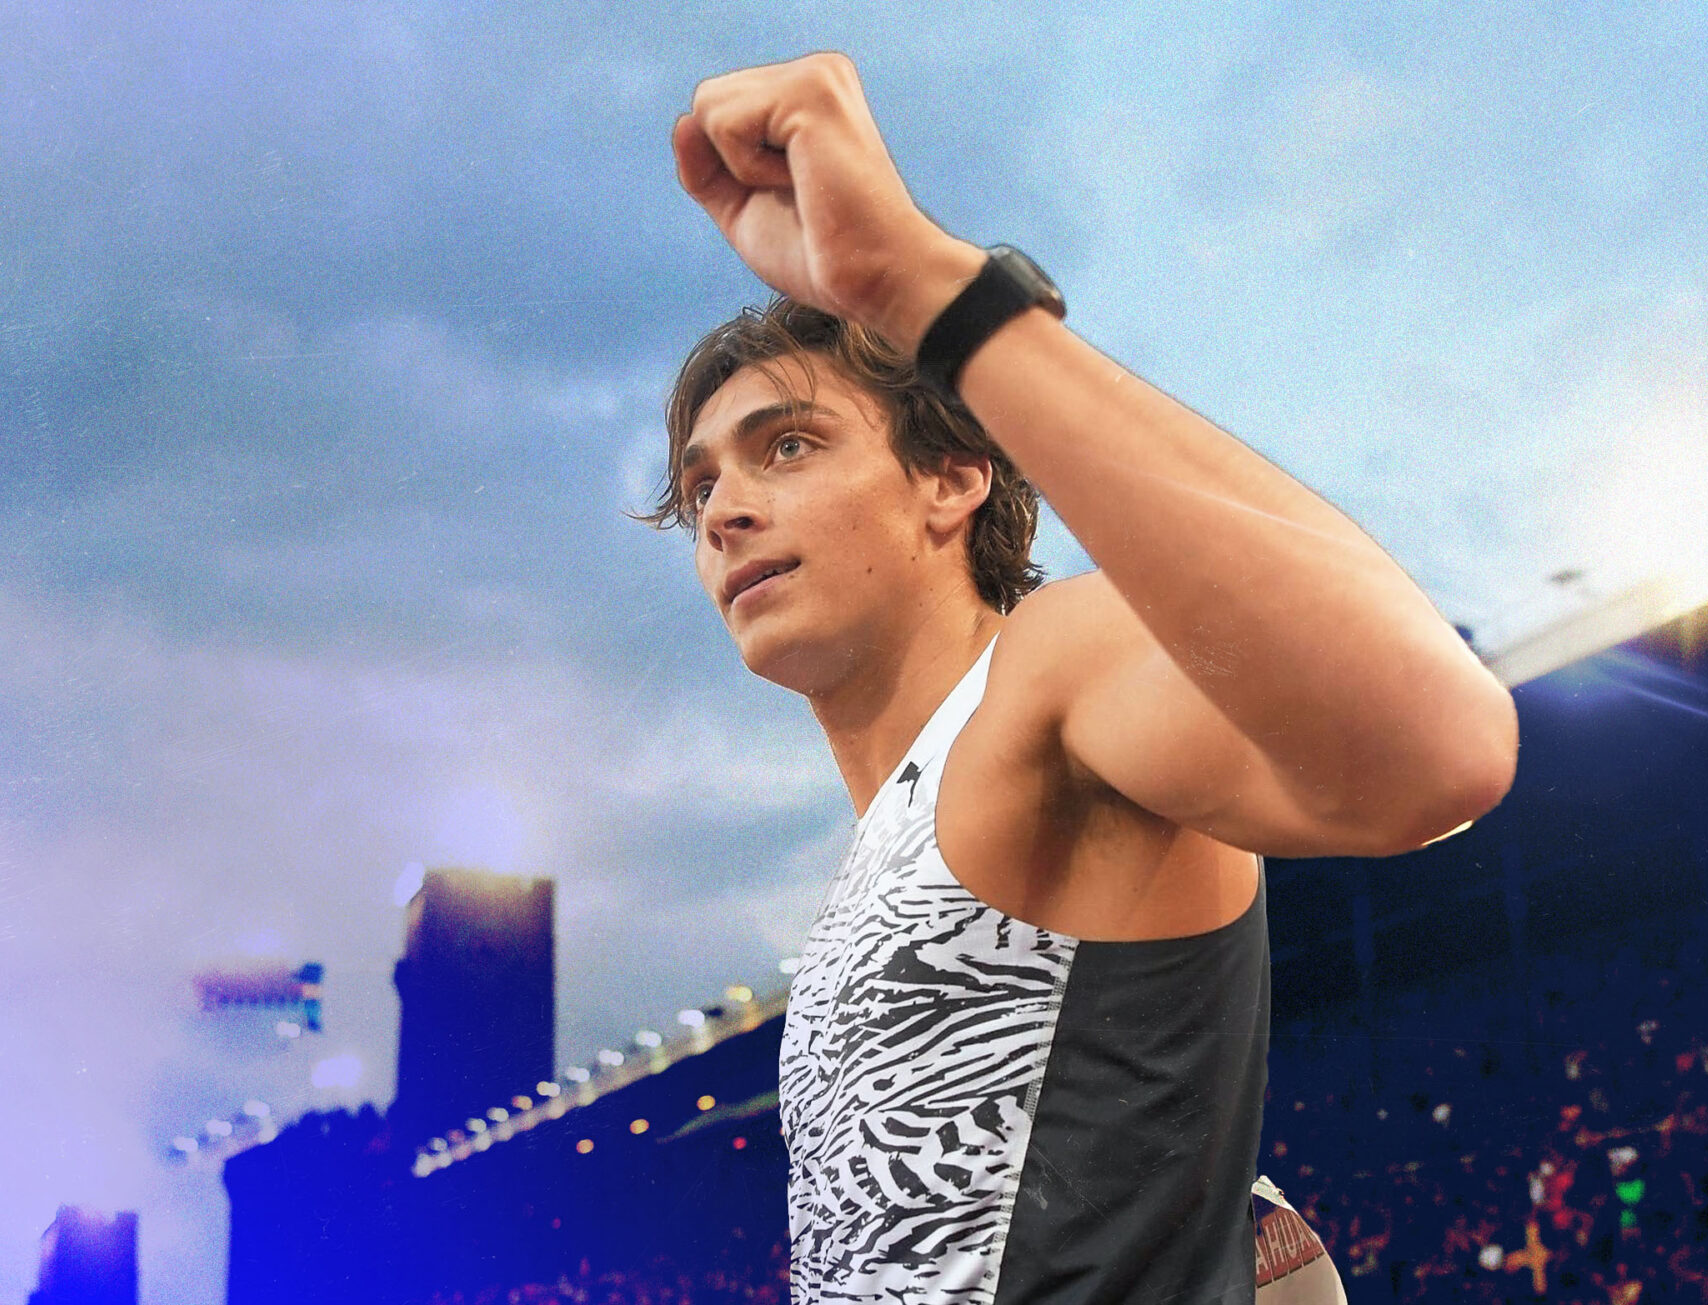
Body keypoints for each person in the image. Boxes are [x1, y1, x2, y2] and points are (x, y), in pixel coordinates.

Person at [649, 51, 1519, 1304]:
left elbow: (1435, 749)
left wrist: (923, 288)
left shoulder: (1045, 664)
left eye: (787, 445)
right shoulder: (871, 864)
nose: (725, 510)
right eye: (701, 489)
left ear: (954, 478)